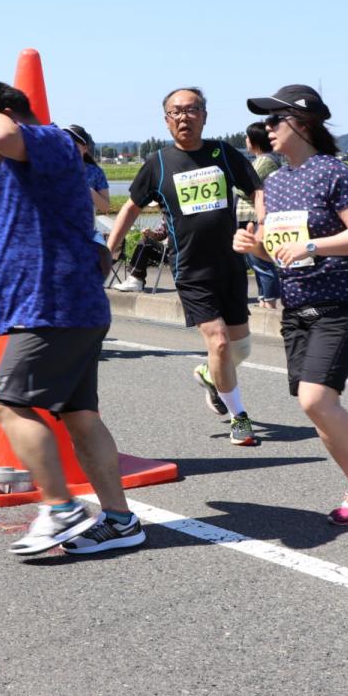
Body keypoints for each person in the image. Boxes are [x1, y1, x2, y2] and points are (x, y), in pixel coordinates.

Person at [0, 81, 144, 556]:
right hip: (60, 305)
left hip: (54, 305)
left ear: (1, 107)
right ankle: (120, 521)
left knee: (8, 404)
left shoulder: (50, 141)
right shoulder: (14, 160)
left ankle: (60, 508)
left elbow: (1, 136)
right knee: (81, 417)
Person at [235, 84, 348, 529]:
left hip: (338, 301)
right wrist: (253, 245)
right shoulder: (274, 183)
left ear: (302, 123)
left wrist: (313, 245)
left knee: (316, 399)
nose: (267, 128)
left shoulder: (333, 172)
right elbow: (276, 250)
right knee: (315, 407)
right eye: (265, 120)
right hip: (296, 305)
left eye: (275, 119)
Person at [107, 87, 263, 446]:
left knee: (240, 348)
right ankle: (239, 417)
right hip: (191, 269)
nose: (184, 117)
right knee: (219, 342)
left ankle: (210, 375)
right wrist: (109, 250)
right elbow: (131, 207)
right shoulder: (158, 163)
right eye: (176, 112)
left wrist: (263, 224)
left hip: (231, 265)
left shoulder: (223, 153)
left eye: (192, 110)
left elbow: (256, 189)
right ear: (166, 120)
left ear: (204, 116)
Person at [240, 122, 281, 309]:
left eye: (248, 137)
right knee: (255, 261)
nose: (246, 140)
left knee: (261, 261)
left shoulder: (266, 161)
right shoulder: (260, 160)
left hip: (256, 217)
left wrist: (234, 182)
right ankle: (264, 299)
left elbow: (244, 186)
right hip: (250, 217)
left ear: (255, 141)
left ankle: (269, 300)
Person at [65, 124, 111, 214]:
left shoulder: (96, 172)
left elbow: (105, 208)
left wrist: (87, 190)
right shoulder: (55, 170)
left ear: (85, 148)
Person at [112, 224, 169, 292]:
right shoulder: (166, 218)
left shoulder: (179, 218)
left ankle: (136, 280)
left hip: (173, 253)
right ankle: (134, 279)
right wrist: (151, 234)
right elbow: (161, 235)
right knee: (144, 242)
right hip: (164, 249)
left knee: (146, 243)